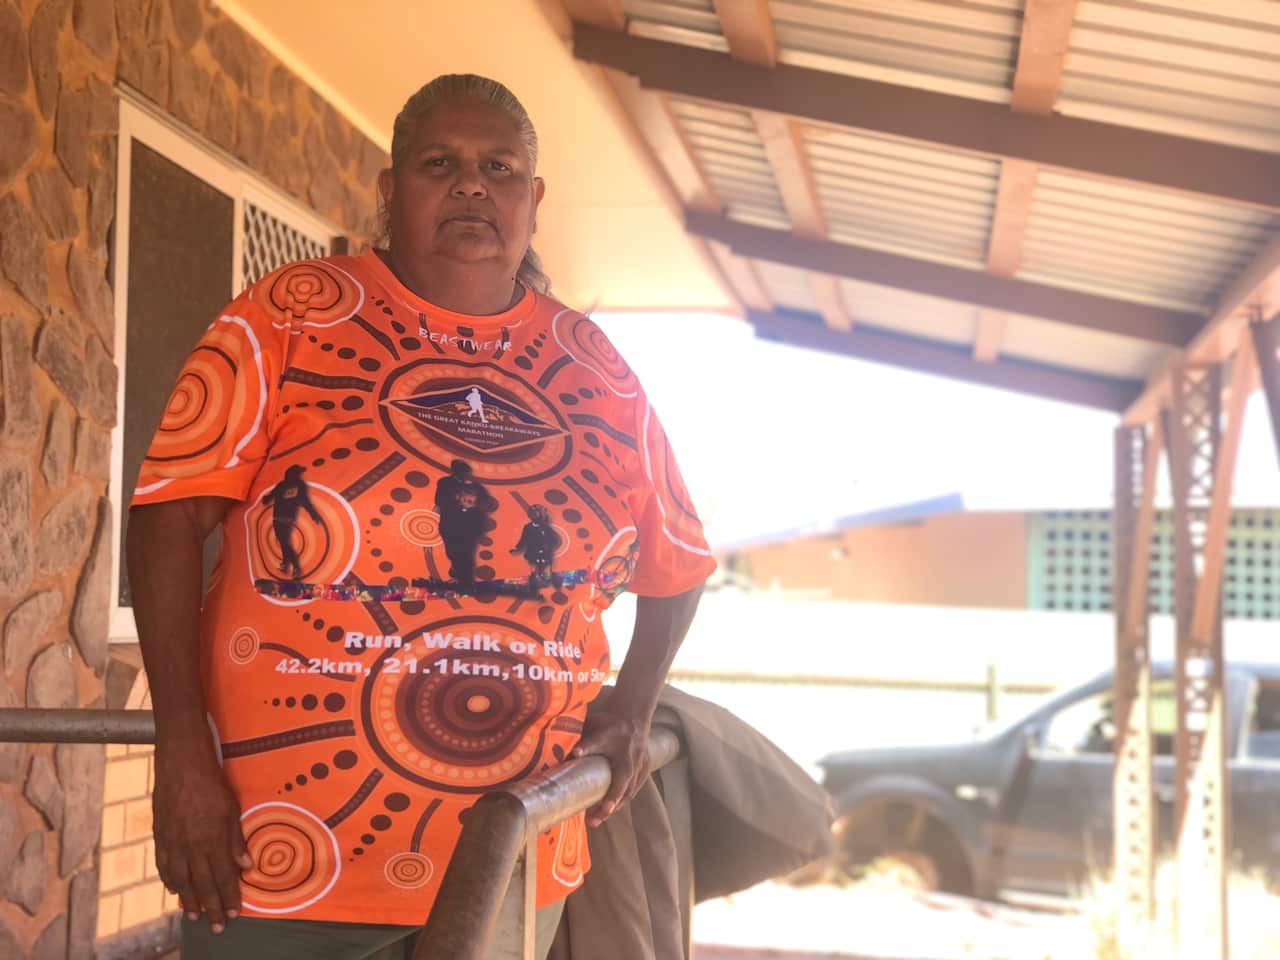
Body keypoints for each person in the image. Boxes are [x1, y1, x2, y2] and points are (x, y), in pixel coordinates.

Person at [127, 73, 717, 960]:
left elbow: (678, 558)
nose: (473, 184)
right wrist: (181, 749)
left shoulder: (594, 369)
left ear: (533, 198)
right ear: (390, 189)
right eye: (442, 162)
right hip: (282, 839)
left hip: (513, 846)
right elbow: (167, 519)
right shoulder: (287, 321)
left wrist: (633, 707)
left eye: (500, 167)